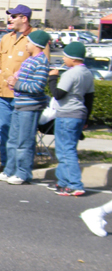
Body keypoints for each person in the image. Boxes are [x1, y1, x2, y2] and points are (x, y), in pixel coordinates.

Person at [0, 4, 48, 175]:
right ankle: (6, 164)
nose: (10, 19)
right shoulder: (7, 37)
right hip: (2, 93)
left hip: (22, 96)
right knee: (4, 131)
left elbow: (44, 67)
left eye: (14, 16)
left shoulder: (36, 38)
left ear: (24, 18)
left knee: (22, 136)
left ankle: (20, 168)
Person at [47, 42, 95, 197]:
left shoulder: (70, 74)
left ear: (73, 59)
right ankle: (63, 182)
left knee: (65, 151)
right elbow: (89, 98)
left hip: (67, 114)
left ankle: (75, 184)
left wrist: (53, 78)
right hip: (79, 114)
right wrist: (86, 119)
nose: (63, 58)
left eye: (65, 56)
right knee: (66, 149)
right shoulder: (87, 73)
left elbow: (58, 94)